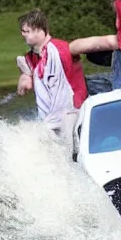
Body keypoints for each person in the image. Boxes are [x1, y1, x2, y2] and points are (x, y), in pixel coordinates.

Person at [16, 10, 88, 150]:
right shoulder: (30, 58)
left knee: (71, 154)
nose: (23, 34)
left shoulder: (61, 49)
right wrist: (24, 78)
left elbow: (99, 43)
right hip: (49, 121)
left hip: (71, 114)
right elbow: (28, 73)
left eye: (26, 31)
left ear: (39, 30)